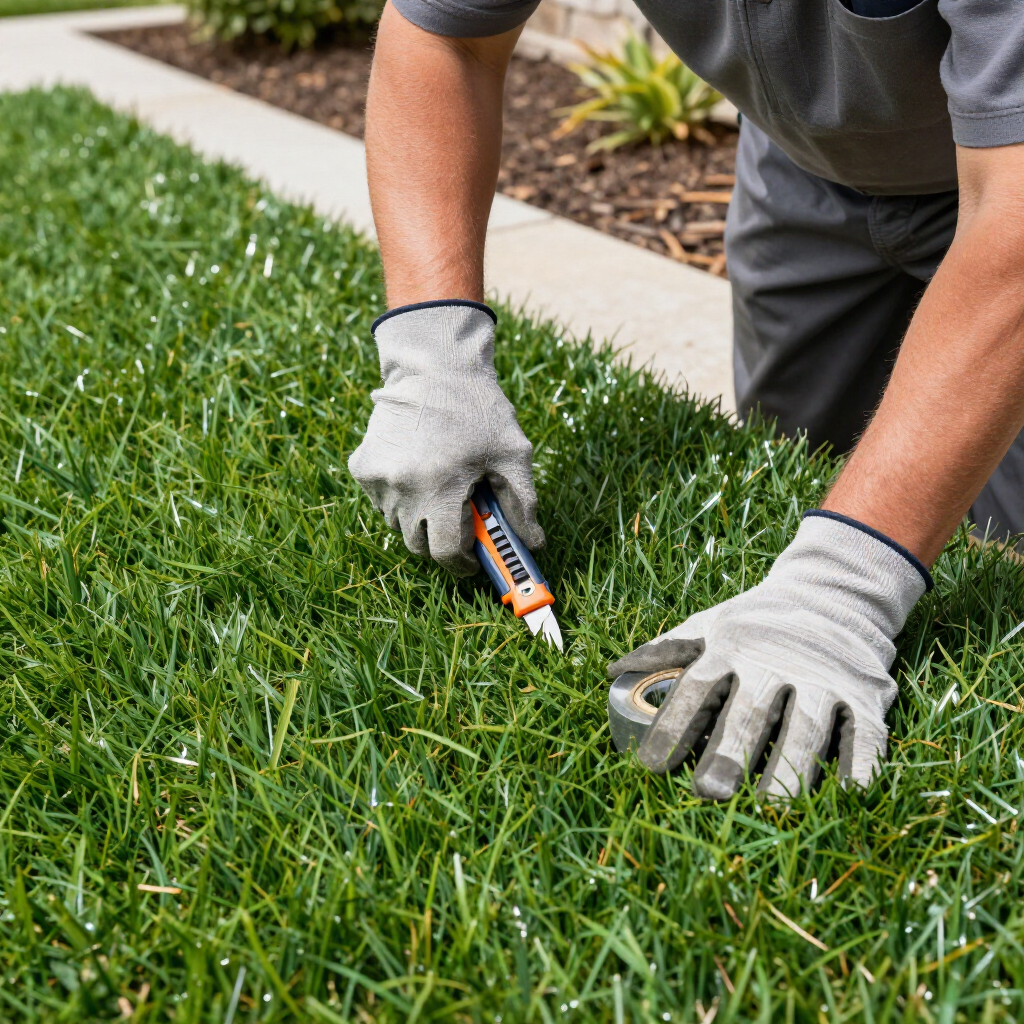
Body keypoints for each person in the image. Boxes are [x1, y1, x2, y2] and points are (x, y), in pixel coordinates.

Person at [348, 0, 1024, 798]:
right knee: (790, 458)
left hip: (1001, 182)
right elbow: (445, 36)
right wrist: (432, 355)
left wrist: (841, 590)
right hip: (802, 165)